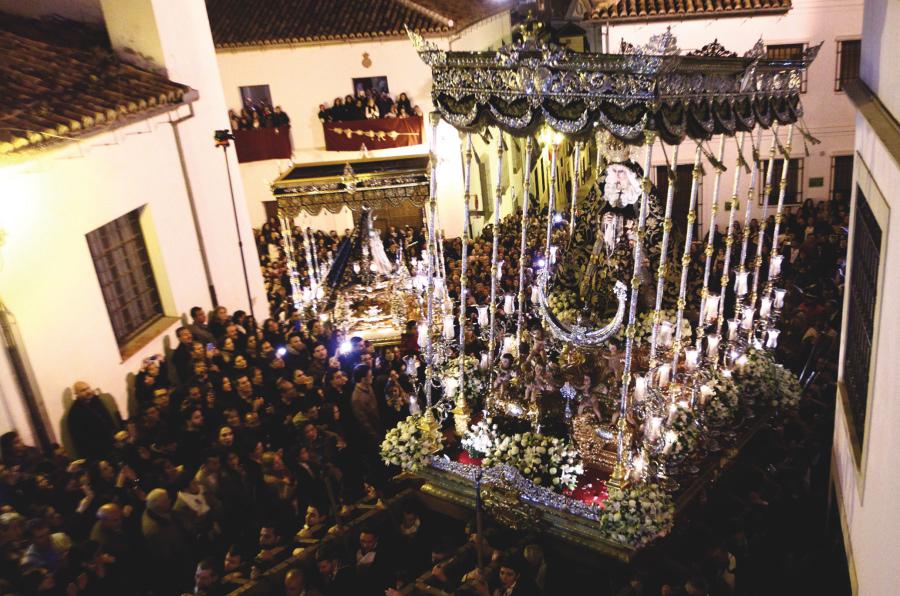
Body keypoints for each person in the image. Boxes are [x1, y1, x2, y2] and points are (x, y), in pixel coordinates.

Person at [68, 381, 117, 460]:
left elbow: (108, 418)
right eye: (83, 390)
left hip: (110, 444)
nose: (88, 391)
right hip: (95, 452)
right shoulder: (74, 413)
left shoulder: (96, 401)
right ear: (76, 394)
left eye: (88, 388)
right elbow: (79, 439)